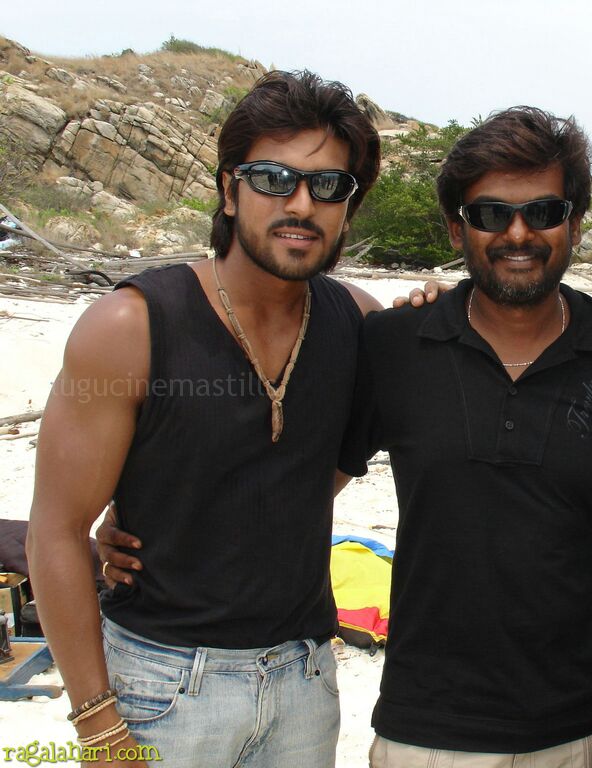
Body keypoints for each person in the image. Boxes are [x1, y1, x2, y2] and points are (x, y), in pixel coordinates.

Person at [26, 70, 383, 768]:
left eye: (328, 185)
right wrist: (97, 725)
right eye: (274, 179)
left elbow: (334, 458)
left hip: (306, 684)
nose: (301, 203)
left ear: (348, 206)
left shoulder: (360, 327)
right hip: (160, 687)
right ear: (229, 190)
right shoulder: (131, 326)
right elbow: (55, 529)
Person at [341, 107, 592, 767]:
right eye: (490, 214)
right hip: (428, 730)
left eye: (543, 212)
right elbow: (298, 484)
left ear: (574, 223)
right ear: (458, 229)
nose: (518, 233)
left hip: (587, 727)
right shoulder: (394, 345)